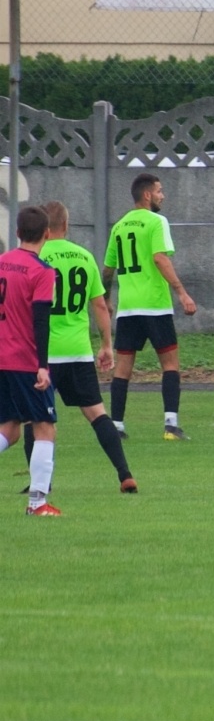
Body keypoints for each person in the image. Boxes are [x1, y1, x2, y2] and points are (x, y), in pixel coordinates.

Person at [36, 201, 136, 492]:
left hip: (43, 353)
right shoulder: (84, 256)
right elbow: (100, 305)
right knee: (97, 414)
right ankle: (124, 473)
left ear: (43, 228)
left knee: (36, 419)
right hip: (78, 351)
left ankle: (41, 483)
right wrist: (106, 345)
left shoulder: (37, 257)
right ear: (66, 226)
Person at [102, 172, 196, 441]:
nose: (162, 195)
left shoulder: (118, 227)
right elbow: (160, 258)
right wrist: (181, 292)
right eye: (159, 191)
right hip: (155, 306)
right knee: (170, 364)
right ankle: (170, 425)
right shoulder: (157, 221)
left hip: (129, 308)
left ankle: (117, 426)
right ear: (147, 195)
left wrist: (107, 299)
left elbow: (108, 270)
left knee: (123, 368)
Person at [0, 206, 63, 515]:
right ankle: (37, 503)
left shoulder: (1, 263)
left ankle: (38, 502)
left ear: (17, 233)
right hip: (24, 361)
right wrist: (43, 365)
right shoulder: (42, 271)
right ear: (47, 234)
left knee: (9, 430)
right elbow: (40, 320)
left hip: (1, 358)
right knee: (45, 426)